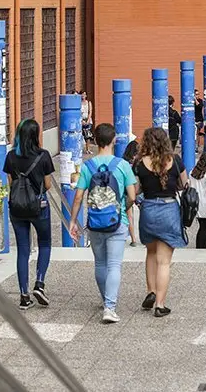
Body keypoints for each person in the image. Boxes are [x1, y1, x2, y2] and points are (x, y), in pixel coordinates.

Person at [69, 123, 137, 324]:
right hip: (117, 221)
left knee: (100, 263)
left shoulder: (88, 166)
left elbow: (79, 197)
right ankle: (110, 307)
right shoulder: (123, 165)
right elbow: (132, 196)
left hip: (95, 221)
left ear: (96, 141)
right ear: (114, 140)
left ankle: (105, 298)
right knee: (114, 264)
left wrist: (73, 221)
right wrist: (122, 208)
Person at [133, 128, 187, 317]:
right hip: (169, 209)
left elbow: (136, 189)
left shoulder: (140, 163)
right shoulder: (175, 161)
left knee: (151, 253)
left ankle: (151, 291)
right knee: (164, 262)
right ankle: (160, 305)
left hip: (148, 210)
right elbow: (184, 184)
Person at [4, 119, 55, 310]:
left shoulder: (10, 157)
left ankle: (24, 296)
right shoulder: (43, 156)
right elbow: (48, 185)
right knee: (44, 243)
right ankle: (39, 283)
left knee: (23, 250)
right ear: (36, 135)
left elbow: (11, 183)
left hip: (17, 208)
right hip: (38, 207)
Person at [189, 152, 206, 249]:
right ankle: (202, 247)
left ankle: (199, 245)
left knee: (201, 226)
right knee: (205, 228)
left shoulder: (192, 172)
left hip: (195, 203)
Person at [122, 140, 140, 247]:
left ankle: (133, 239)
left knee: (129, 216)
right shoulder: (138, 163)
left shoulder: (123, 162)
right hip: (136, 191)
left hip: (126, 192)